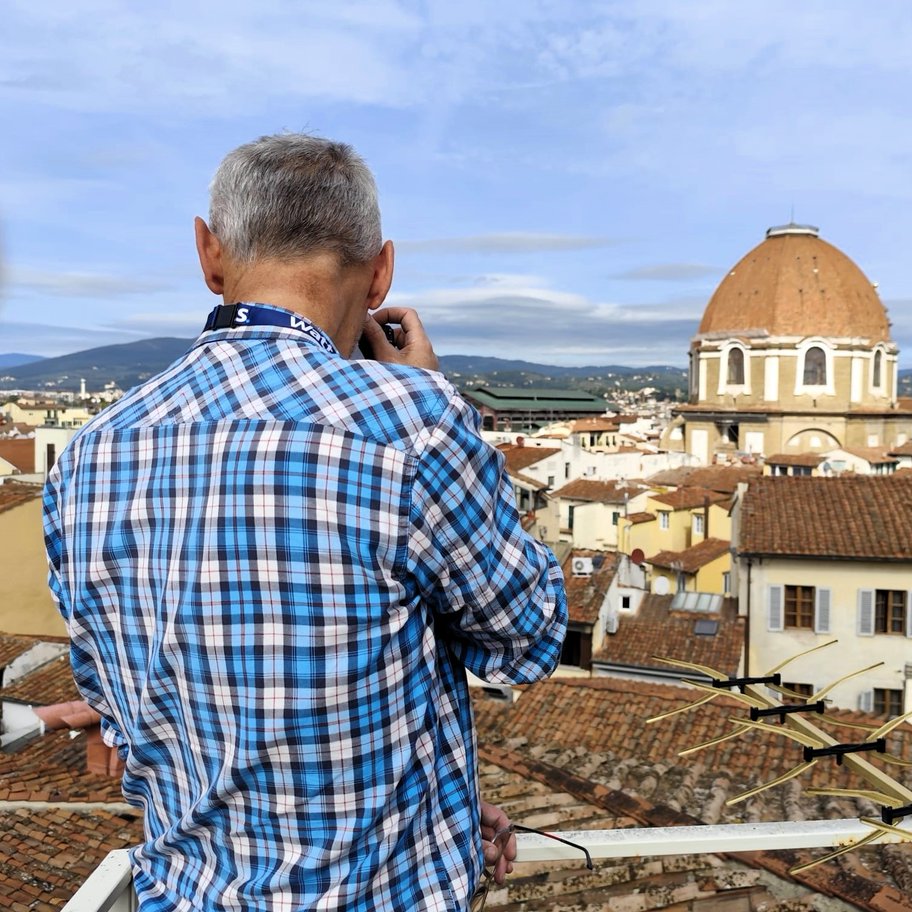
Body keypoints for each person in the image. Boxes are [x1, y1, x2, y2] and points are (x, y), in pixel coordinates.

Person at [43, 133, 568, 911]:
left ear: (208, 254)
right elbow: (527, 639)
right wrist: (429, 400)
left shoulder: (87, 456)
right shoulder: (410, 426)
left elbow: (118, 699)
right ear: (382, 269)